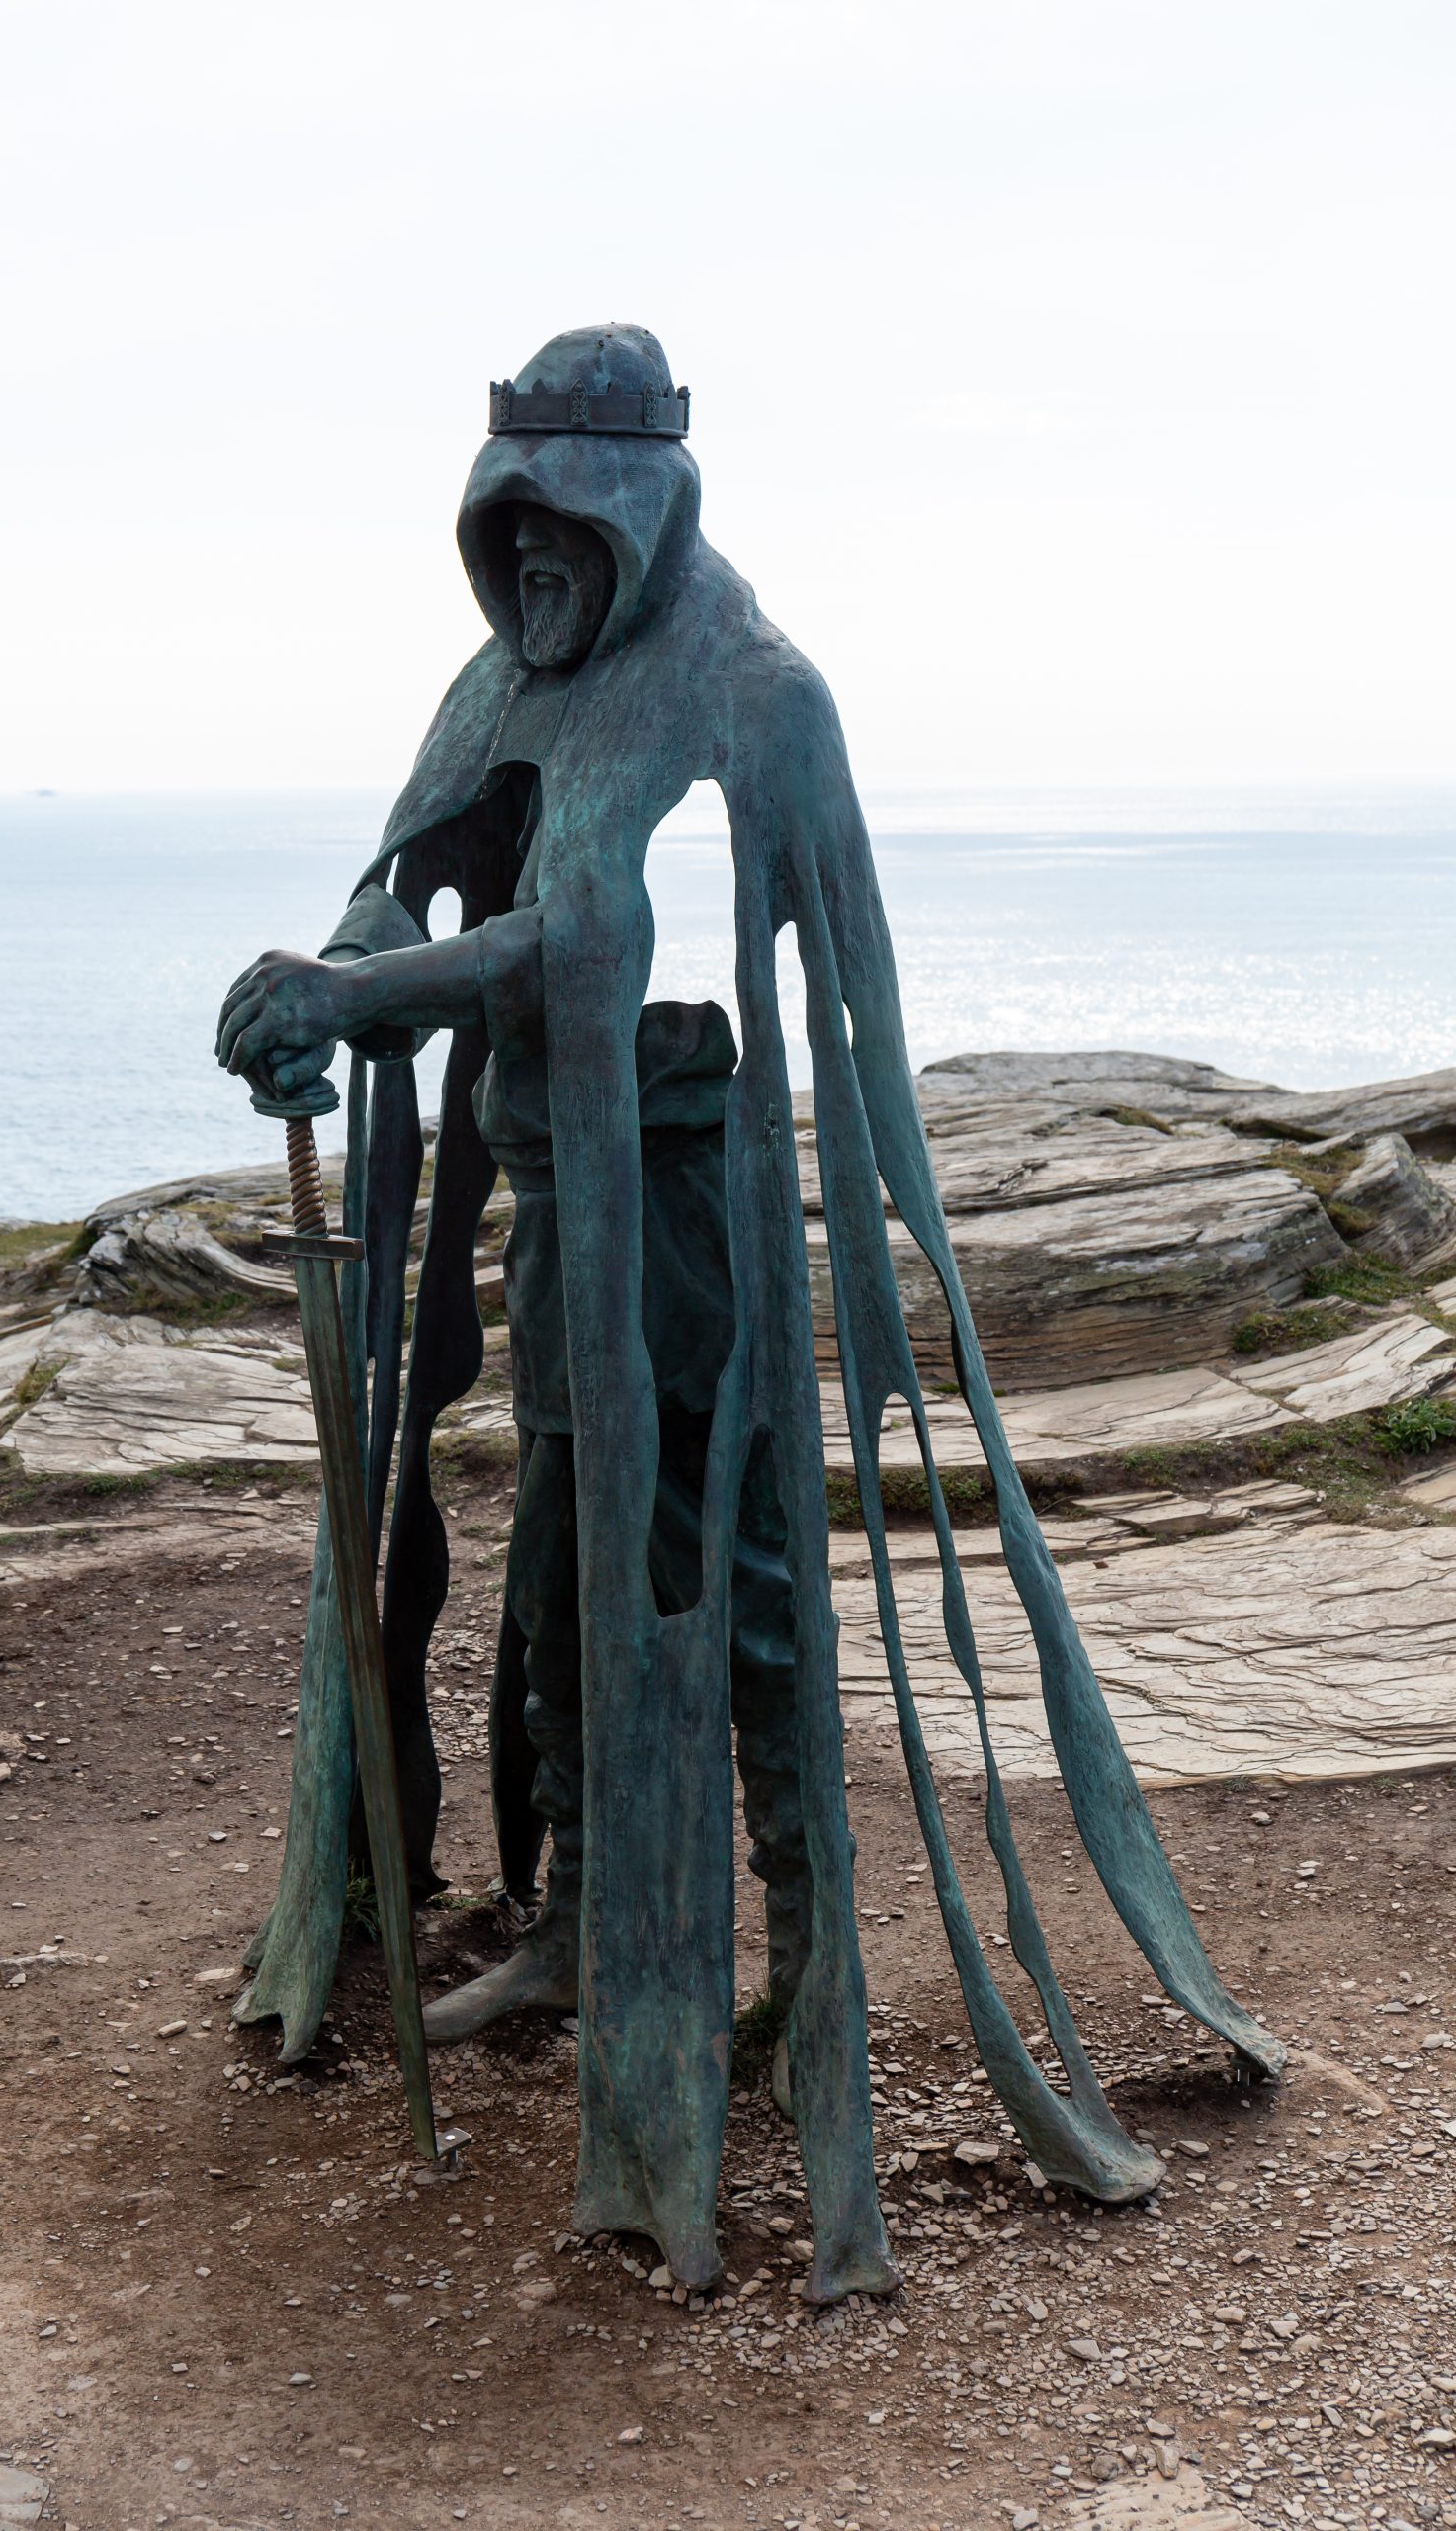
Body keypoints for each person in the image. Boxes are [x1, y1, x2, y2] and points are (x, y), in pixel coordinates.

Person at [217, 325, 1280, 2300]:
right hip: (550, 1216)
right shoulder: (495, 683)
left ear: (642, 509)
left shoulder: (752, 692)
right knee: (551, 1579)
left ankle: (784, 1963)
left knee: (730, 1598)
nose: (529, 566)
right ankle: (575, 1922)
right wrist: (314, 984)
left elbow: (589, 930)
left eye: (560, 528)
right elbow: (412, 888)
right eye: (503, 528)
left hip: (686, 1223)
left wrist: (369, 995)